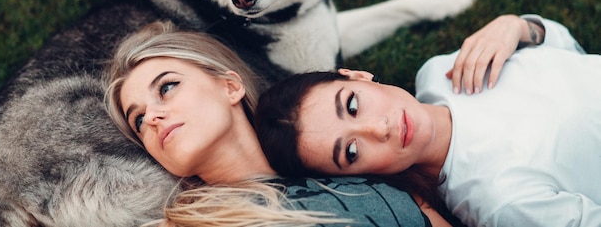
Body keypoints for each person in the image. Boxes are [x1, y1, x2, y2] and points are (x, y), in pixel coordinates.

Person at [255, 14, 601, 227]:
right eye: (352, 152)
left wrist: (518, 27)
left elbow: (567, 51)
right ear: (362, 177)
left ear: (357, 76)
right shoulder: (500, 201)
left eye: (353, 105)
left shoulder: (438, 73)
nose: (379, 128)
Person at [104, 21, 450, 227]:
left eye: (166, 87)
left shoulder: (360, 167)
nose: (151, 117)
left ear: (230, 86)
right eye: (138, 120)